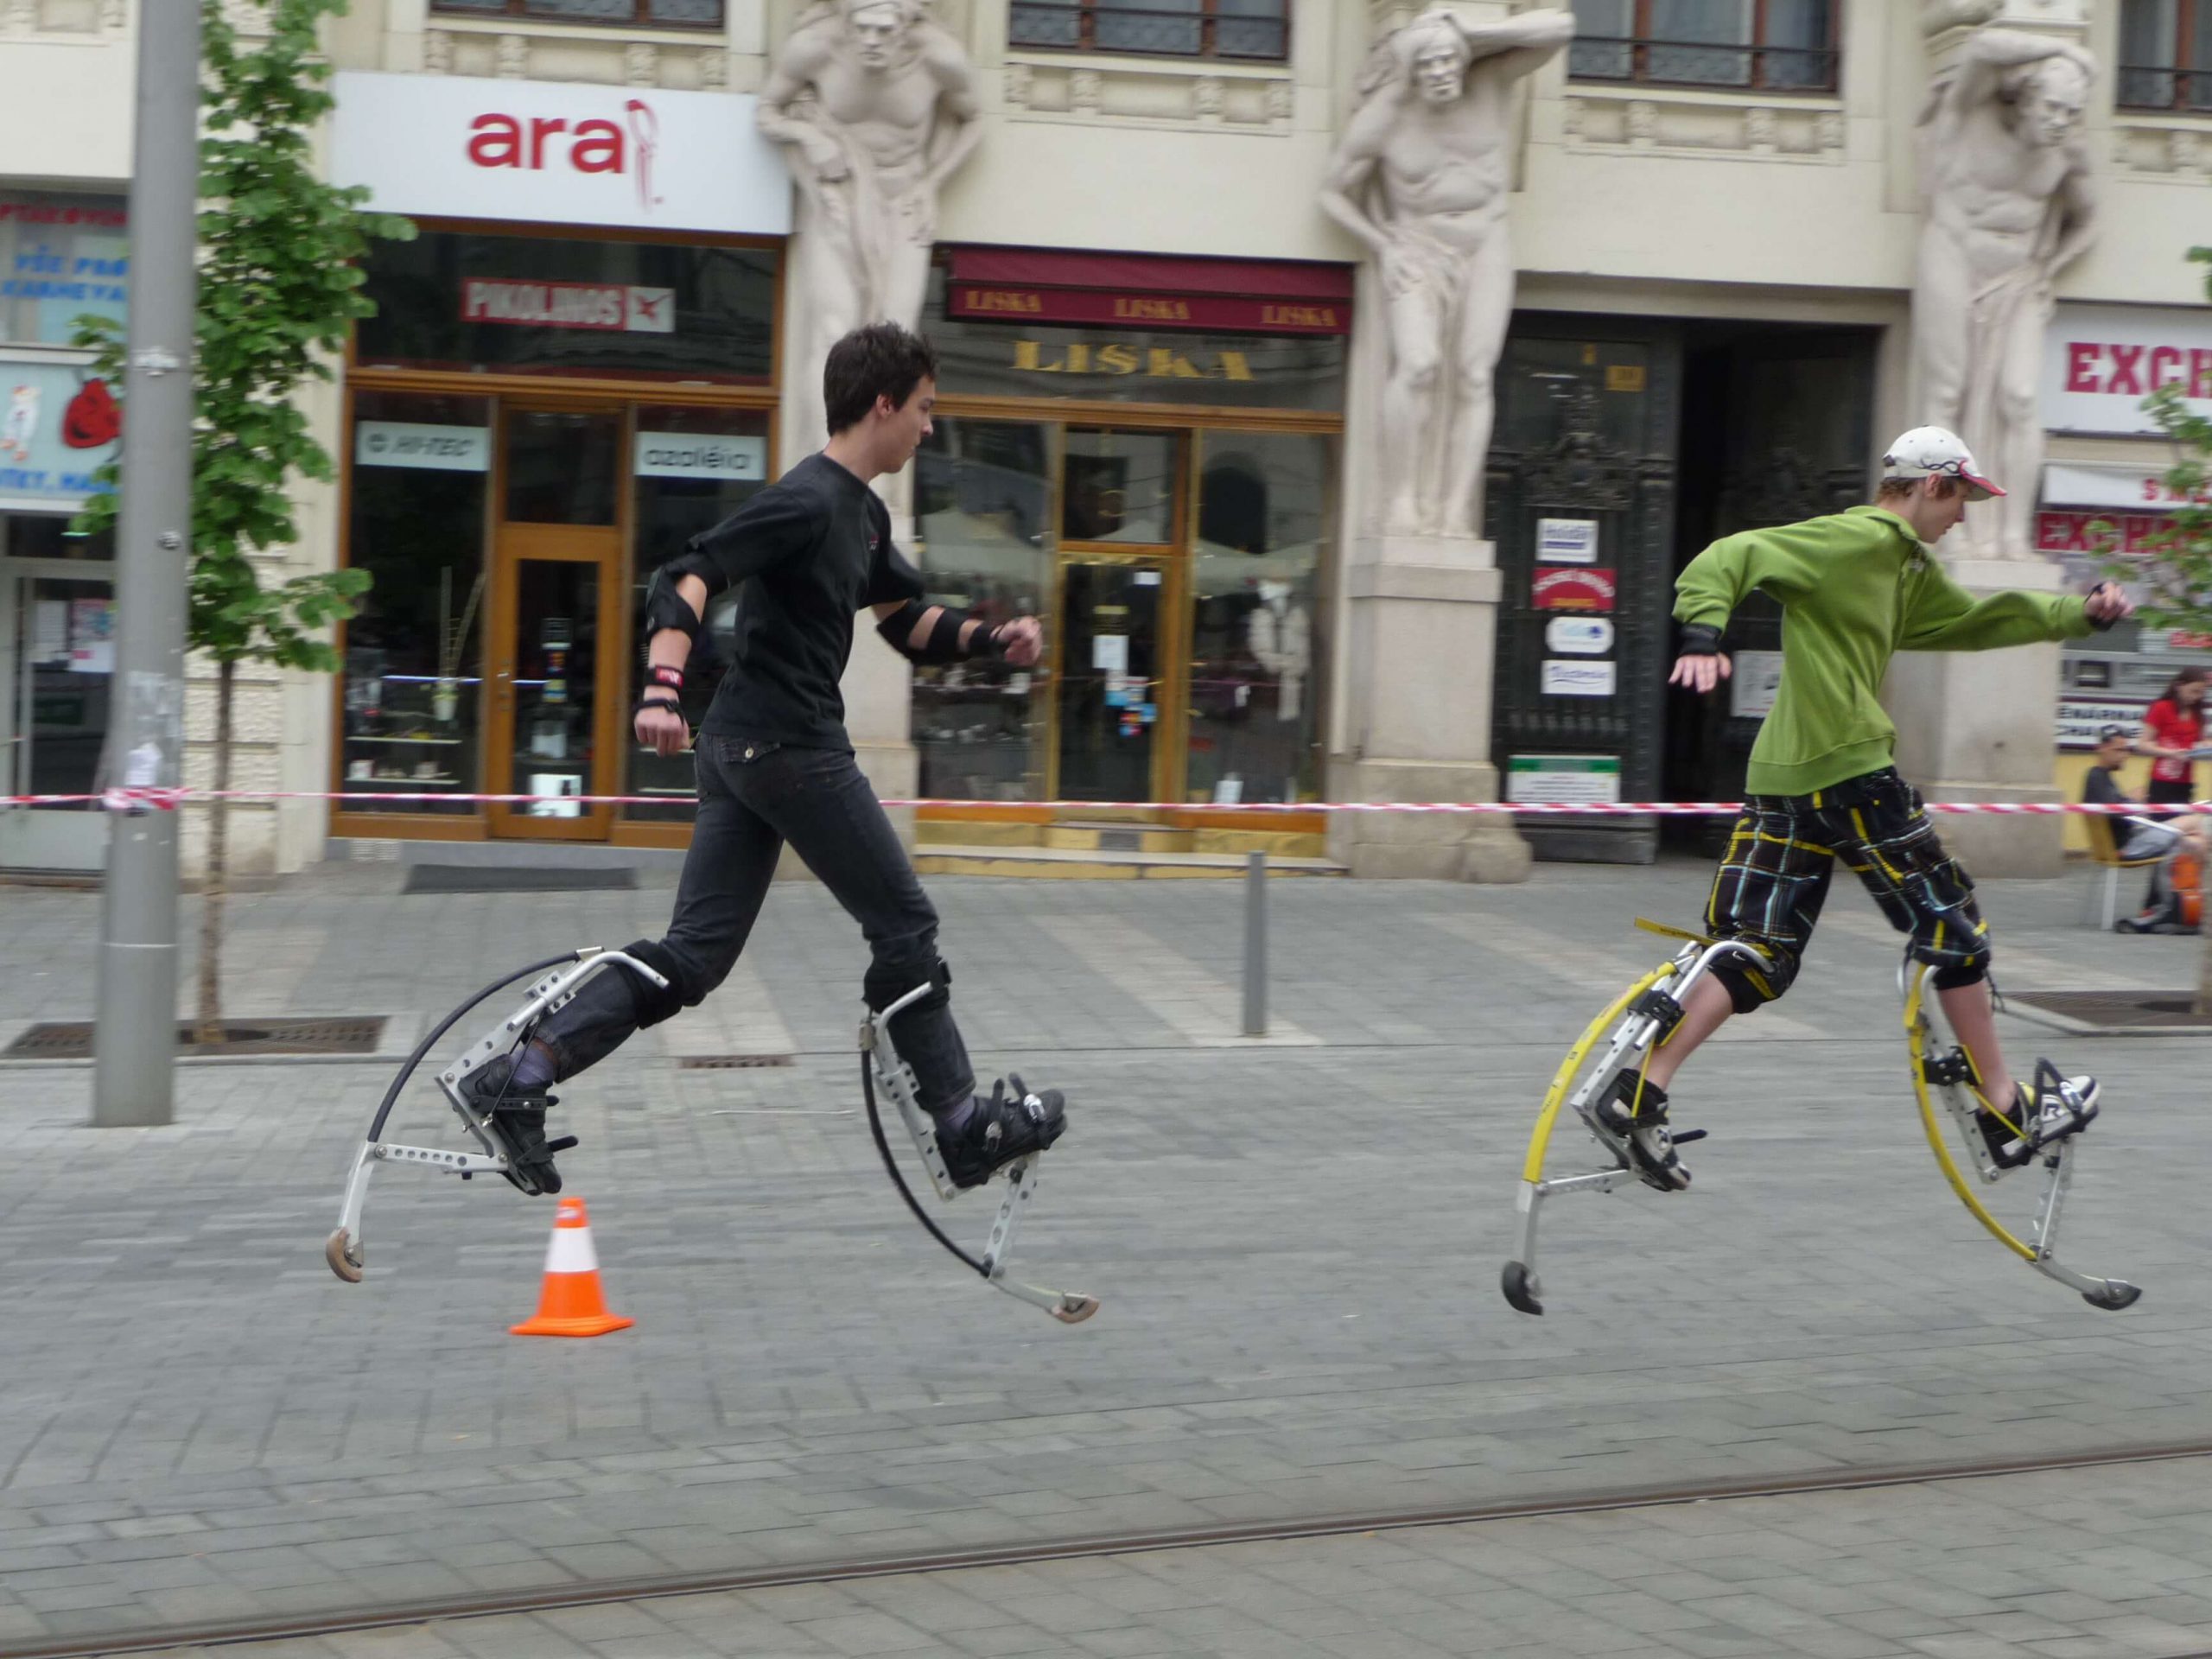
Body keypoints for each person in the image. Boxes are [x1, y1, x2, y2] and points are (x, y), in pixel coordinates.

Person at [462, 323, 1068, 1196]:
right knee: (904, 926)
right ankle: (964, 1126)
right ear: (883, 403)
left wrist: (990, 636)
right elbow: (689, 573)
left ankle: (518, 1077)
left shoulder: (861, 513)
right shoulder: (809, 499)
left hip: (743, 749)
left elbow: (902, 618)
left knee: (695, 956)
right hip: (788, 745)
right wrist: (660, 687)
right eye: (926, 410)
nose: (930, 430)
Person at [1592, 425, 2130, 1192]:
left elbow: (1977, 621)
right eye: (1963, 499)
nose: (1966, 517)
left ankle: (1639, 1093)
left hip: (1785, 775)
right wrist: (1703, 629)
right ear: (1931, 484)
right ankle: (2005, 1112)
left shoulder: (1907, 566)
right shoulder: (1860, 538)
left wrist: (2078, 615)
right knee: (1954, 928)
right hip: (1848, 768)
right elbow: (1731, 555)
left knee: (1758, 949)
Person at [2084, 722, 2206, 933]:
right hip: (2128, 846)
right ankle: (2180, 907)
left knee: (2195, 841)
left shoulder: (2101, 779)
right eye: (2118, 750)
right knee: (2195, 821)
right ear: (2101, 748)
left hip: (2133, 838)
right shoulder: (2096, 776)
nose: (2125, 755)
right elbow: (2118, 811)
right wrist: (2134, 802)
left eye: (2126, 749)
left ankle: (2179, 908)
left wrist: (2131, 801)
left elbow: (2115, 808)